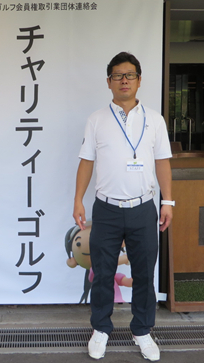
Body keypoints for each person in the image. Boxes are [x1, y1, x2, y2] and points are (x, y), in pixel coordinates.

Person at [72, 52, 174, 361]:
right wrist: (78, 199)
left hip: (143, 208)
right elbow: (86, 161)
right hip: (107, 209)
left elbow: (163, 162)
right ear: (109, 82)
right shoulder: (97, 120)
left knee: (144, 272)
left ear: (139, 80)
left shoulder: (155, 120)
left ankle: (142, 330)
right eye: (118, 75)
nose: (124, 80)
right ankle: (101, 329)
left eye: (130, 75)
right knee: (103, 273)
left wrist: (167, 201)